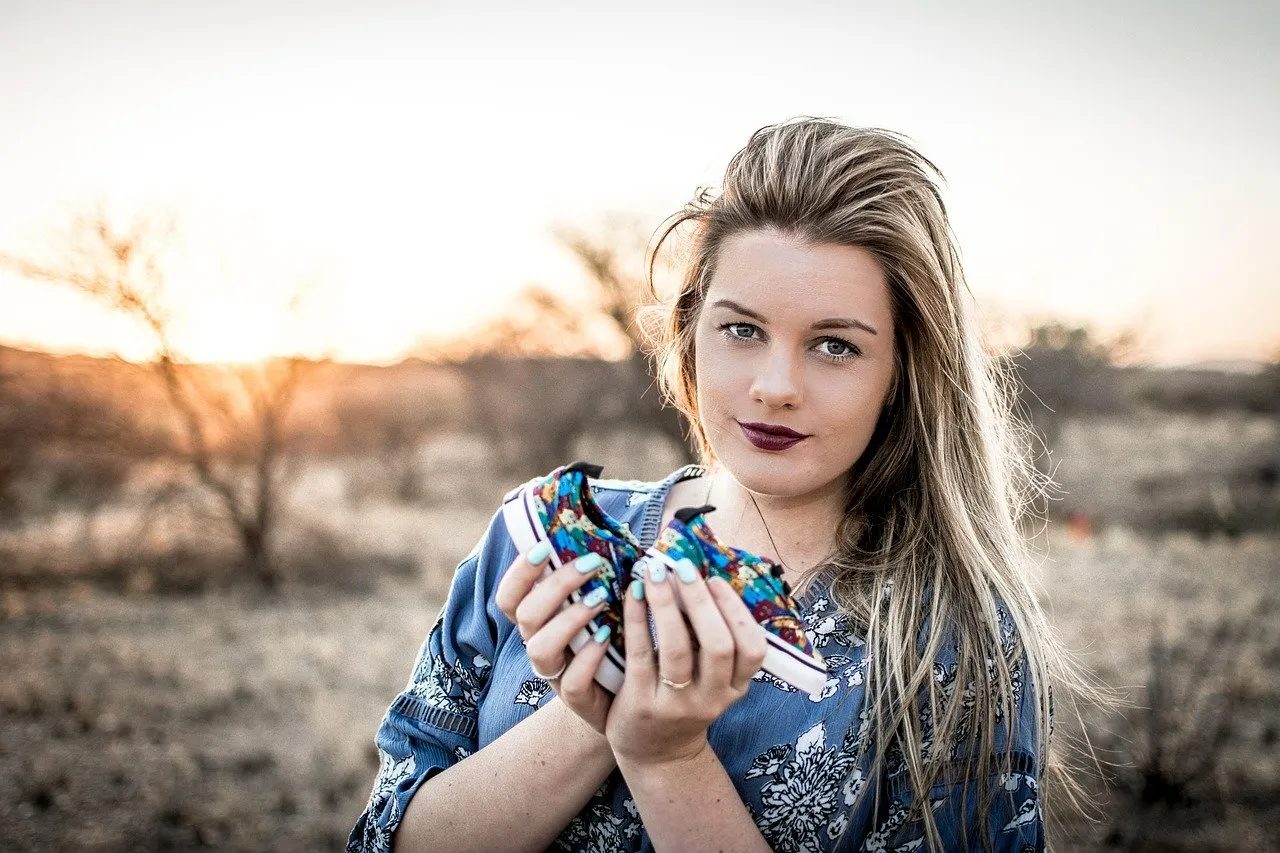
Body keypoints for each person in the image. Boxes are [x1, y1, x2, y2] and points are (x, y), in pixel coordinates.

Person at [350, 118, 1082, 852]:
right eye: (742, 330)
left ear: (901, 372)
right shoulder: (536, 540)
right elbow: (388, 840)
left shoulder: (951, 641)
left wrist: (667, 757)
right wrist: (592, 707)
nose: (775, 386)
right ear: (691, 329)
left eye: (835, 345)